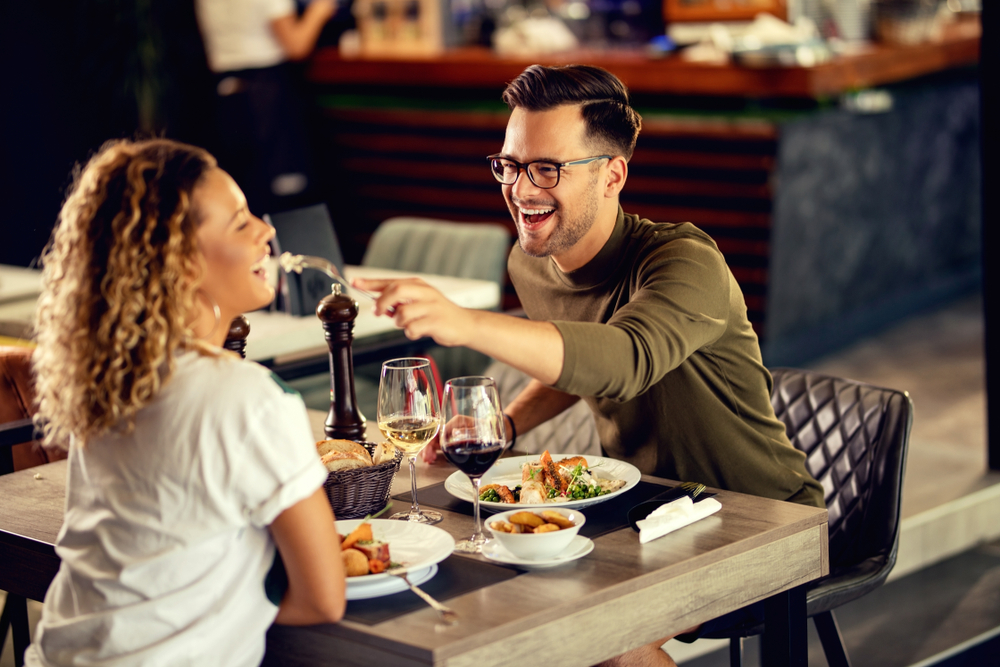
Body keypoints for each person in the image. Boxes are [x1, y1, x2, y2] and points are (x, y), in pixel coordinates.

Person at [355, 64, 824, 666]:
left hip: (757, 514)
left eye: (547, 168)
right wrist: (508, 426)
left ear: (612, 175)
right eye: (511, 164)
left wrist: (466, 323)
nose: (522, 190)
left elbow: (623, 360)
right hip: (642, 510)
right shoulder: (532, 262)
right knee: (512, 607)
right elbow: (573, 361)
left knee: (593, 636)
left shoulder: (684, 262)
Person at [26, 138, 345, 667]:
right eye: (241, 222)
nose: (267, 230)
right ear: (182, 261)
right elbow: (323, 597)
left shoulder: (110, 381)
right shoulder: (248, 399)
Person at [195, 0, 336, 215]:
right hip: (266, 94)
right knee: (288, 197)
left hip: (224, 93)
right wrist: (321, 10)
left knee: (244, 195)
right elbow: (296, 45)